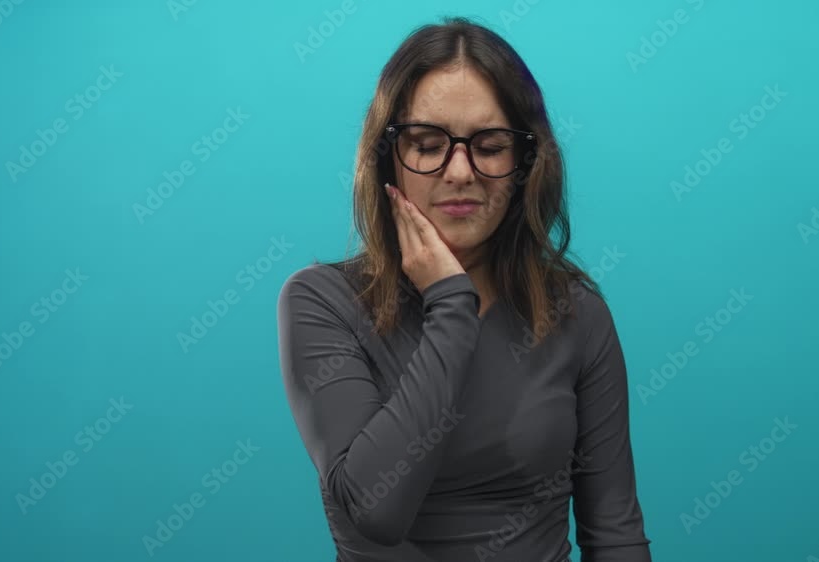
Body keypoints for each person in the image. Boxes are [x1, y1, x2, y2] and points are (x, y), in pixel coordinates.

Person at [277, 16, 652, 562]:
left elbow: (615, 535)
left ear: (525, 164)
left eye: (490, 146)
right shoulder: (322, 302)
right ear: (388, 159)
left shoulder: (577, 313)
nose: (459, 172)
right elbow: (376, 511)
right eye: (428, 144)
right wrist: (451, 301)